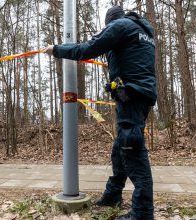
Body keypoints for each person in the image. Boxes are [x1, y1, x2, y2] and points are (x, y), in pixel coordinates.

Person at [44, 5, 157, 220]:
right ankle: (113, 194)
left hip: (132, 96)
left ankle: (143, 213)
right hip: (141, 95)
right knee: (120, 149)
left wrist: (56, 49)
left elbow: (86, 49)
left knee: (131, 149)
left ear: (110, 21)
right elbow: (134, 60)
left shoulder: (119, 26)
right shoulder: (142, 31)